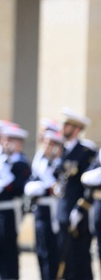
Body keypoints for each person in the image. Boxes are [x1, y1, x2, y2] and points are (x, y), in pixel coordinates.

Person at [53, 107, 95, 280]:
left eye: (67, 125)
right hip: (63, 210)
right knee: (66, 257)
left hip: (78, 214)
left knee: (80, 258)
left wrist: (80, 208)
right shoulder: (63, 150)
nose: (63, 128)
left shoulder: (86, 153)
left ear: (77, 129)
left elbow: (90, 185)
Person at [0, 123, 30, 280]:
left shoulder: (21, 163)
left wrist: (7, 181)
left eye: (10, 140)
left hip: (11, 210)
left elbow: (19, 188)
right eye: (5, 139)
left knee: (8, 247)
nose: (6, 144)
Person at [25, 121, 64, 280]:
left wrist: (45, 186)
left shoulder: (59, 164)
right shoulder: (40, 161)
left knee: (52, 253)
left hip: (53, 212)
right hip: (40, 211)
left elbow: (58, 188)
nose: (46, 146)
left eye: (50, 144)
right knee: (41, 251)